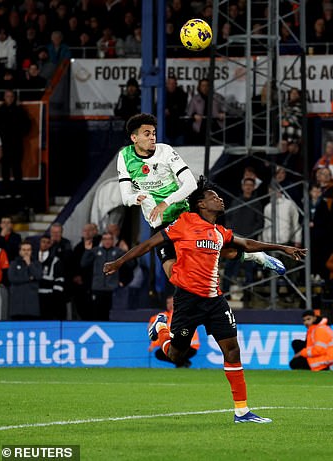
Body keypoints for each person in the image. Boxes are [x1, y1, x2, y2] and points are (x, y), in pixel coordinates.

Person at [104, 177, 306, 423]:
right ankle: (161, 330)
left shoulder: (219, 232)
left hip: (214, 300)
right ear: (200, 204)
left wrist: (281, 248)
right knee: (177, 355)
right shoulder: (184, 223)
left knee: (232, 350)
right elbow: (148, 244)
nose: (220, 199)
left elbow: (247, 243)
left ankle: (242, 412)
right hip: (188, 301)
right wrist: (118, 262)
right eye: (213, 197)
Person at [116, 113, 284, 286]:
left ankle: (258, 256)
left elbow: (190, 184)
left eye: (153, 133)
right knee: (172, 274)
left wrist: (165, 203)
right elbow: (126, 197)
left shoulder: (165, 151)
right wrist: (136, 197)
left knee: (216, 249)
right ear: (134, 137)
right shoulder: (124, 157)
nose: (153, 137)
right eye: (147, 134)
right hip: (159, 222)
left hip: (184, 213)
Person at [148, 295, 200, 367]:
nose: (169, 305)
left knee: (164, 353)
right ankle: (182, 363)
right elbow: (155, 319)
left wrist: (153, 344)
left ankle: (182, 363)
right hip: (183, 345)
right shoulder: (169, 315)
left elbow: (165, 331)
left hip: (189, 346)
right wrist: (151, 323)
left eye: (172, 302)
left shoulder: (179, 314)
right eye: (168, 303)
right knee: (160, 353)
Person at [8, 241, 42, 320]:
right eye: (24, 250)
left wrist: (29, 264)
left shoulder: (36, 264)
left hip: (32, 305)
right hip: (17, 306)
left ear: (31, 251)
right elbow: (12, 278)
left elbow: (38, 276)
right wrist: (29, 278)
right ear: (20, 251)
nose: (26, 252)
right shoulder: (14, 264)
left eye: (28, 250)